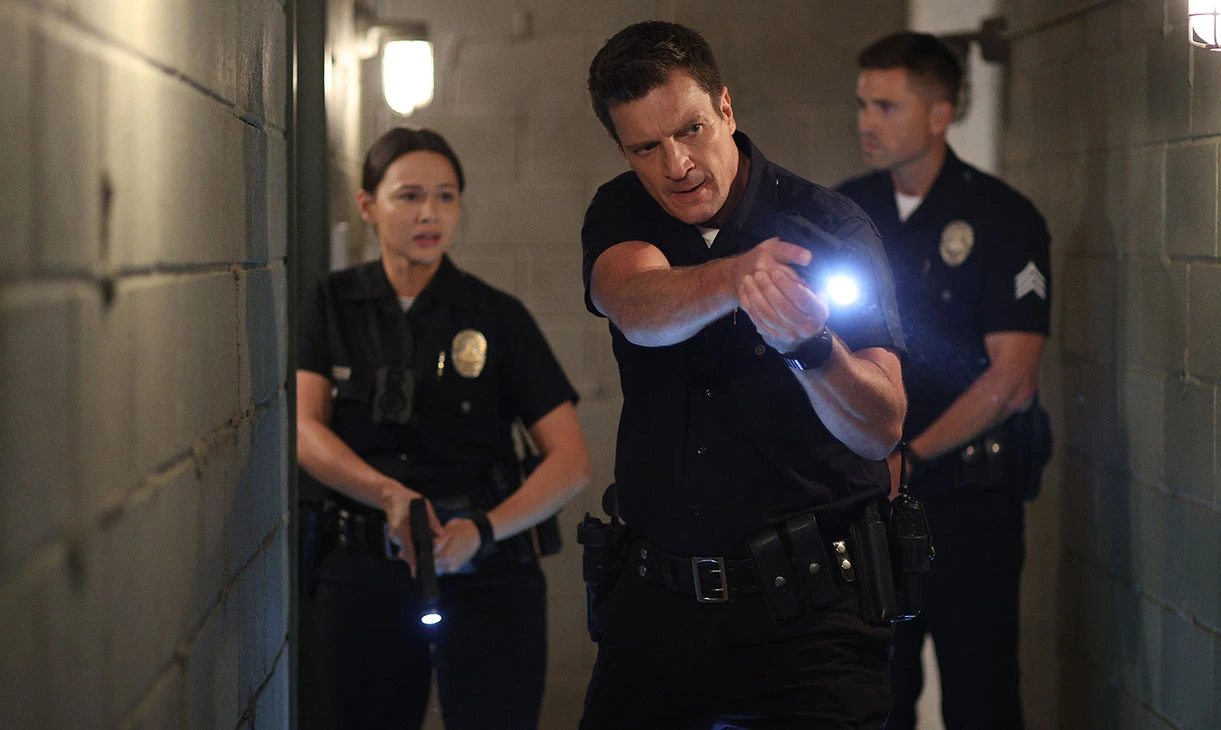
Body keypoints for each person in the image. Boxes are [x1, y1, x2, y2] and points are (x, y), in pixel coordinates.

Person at [577, 21, 908, 730]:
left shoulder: (829, 226)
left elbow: (881, 427)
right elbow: (636, 306)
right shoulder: (622, 209)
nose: (676, 165)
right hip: (657, 611)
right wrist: (737, 278)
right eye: (646, 148)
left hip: (812, 617)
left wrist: (812, 348)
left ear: (725, 109)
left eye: (690, 130)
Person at [295, 127, 591, 730]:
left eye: (446, 196)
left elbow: (571, 461)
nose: (430, 213)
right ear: (367, 205)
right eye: (409, 196)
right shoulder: (332, 303)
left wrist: (483, 530)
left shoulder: (497, 316)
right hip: (365, 569)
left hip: (486, 573)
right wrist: (387, 493)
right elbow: (303, 430)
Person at [836, 32, 1053, 730]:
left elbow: (1013, 380)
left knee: (979, 697)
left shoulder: (1002, 218)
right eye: (863, 104)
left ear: (939, 114)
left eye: (887, 106)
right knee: (870, 699)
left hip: (967, 503)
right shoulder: (842, 214)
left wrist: (912, 457)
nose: (867, 122)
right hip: (866, 503)